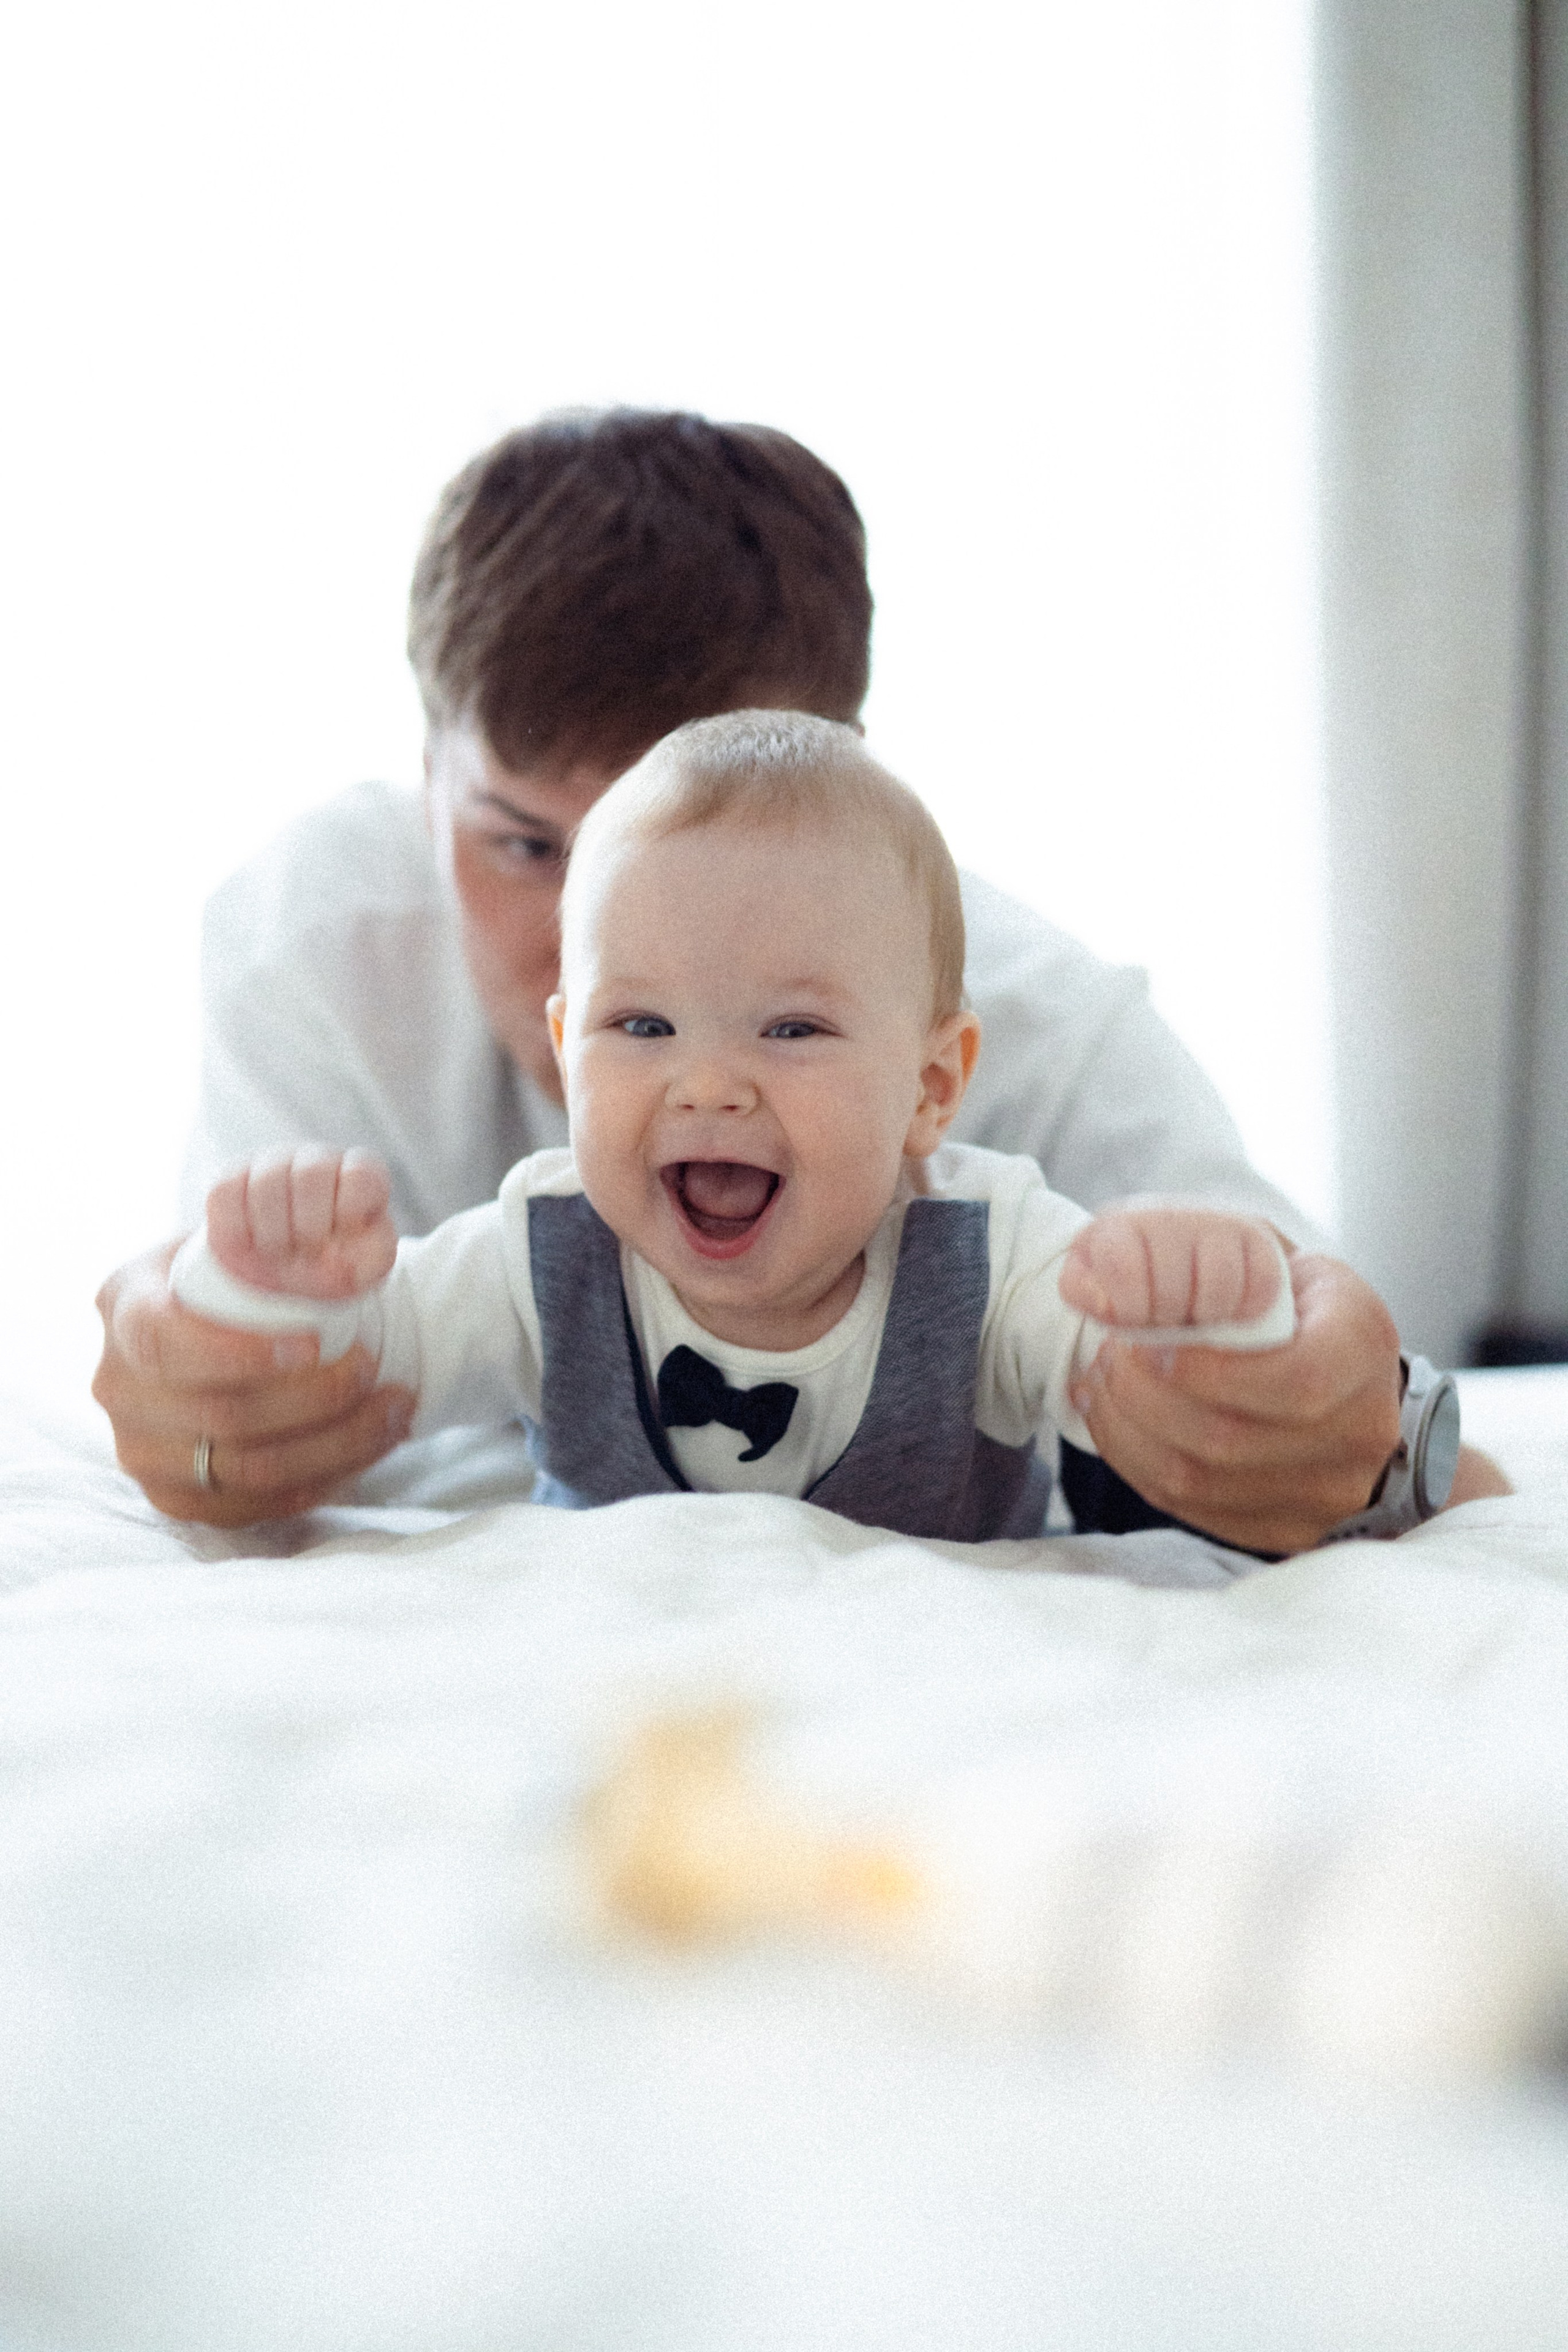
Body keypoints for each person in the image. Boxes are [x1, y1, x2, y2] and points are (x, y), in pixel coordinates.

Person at [89, 407, 1479, 1547]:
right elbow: (247, 1395)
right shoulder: (308, 947)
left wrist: (1332, 1434)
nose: (598, 931)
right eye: (521, 842)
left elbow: (1356, 1399)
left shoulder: (1033, 1019)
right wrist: (217, 1365)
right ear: (425, 771)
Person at [169, 714, 1297, 1540]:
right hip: (624, 1696)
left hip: (940, 1693)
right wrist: (269, 1287)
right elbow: (359, 1368)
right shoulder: (540, 1251)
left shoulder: (989, 1257)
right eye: (643, 1024)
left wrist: (1191, 1302)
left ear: (931, 1087)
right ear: (571, 1051)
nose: (708, 1087)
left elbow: (1152, 1392)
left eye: (793, 1030)